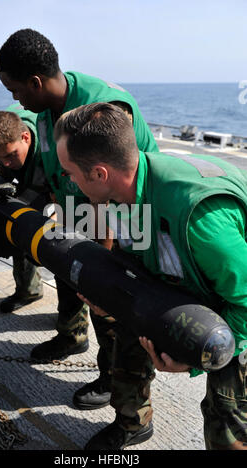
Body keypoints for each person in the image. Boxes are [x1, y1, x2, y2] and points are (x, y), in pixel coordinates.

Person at [53, 101, 247, 450]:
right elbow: (136, 253)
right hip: (192, 277)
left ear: (99, 173)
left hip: (240, 303)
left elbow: (245, 300)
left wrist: (195, 362)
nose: (68, 181)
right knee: (126, 333)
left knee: (228, 417)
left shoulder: (198, 217)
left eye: (70, 172)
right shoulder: (121, 194)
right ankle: (133, 423)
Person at [0, 28, 159, 434]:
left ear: (35, 82)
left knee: (112, 307)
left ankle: (130, 410)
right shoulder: (48, 113)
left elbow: (114, 193)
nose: (16, 100)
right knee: (70, 276)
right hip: (79, 207)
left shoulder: (100, 110)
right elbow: (58, 176)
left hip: (125, 217)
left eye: (16, 90)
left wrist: (98, 265)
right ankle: (72, 336)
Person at [0, 105, 50, 313]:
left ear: (26, 137)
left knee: (66, 249)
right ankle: (29, 290)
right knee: (17, 223)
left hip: (66, 178)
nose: (7, 162)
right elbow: (6, 162)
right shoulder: (3, 133)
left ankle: (73, 329)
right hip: (32, 171)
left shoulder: (50, 150)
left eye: (11, 155)